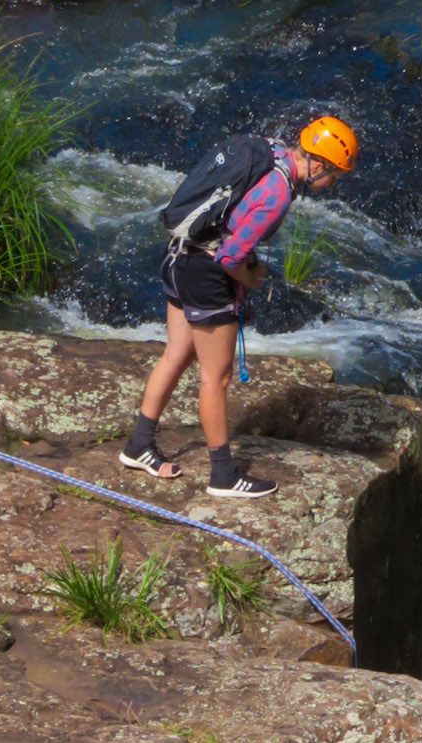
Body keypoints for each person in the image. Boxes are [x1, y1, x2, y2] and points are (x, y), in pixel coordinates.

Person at [119, 116, 359, 498]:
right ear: (317, 165)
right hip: (206, 274)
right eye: (334, 175)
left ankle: (138, 445)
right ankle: (223, 476)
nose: (333, 184)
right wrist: (249, 277)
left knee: (177, 355)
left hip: (179, 255)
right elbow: (230, 256)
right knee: (217, 377)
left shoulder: (271, 152)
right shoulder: (279, 193)